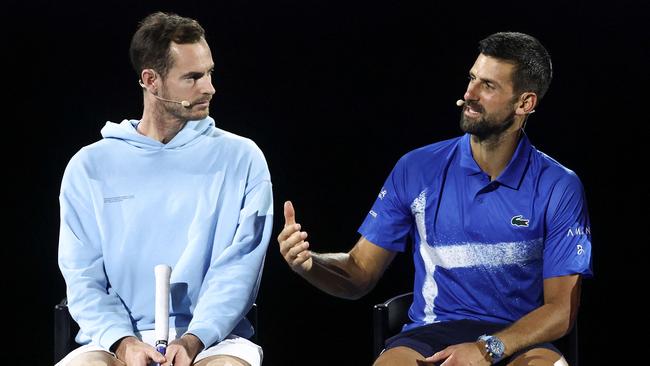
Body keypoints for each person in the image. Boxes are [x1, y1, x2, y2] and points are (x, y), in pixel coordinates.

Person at [278, 31, 592, 366]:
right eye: (472, 79)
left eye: (488, 86)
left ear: (525, 103)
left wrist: (486, 350)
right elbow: (358, 274)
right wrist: (310, 264)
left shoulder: (559, 185)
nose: (468, 94)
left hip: (516, 340)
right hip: (431, 333)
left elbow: (561, 311)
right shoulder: (416, 169)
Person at [57, 12, 273, 366]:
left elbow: (240, 271)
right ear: (151, 80)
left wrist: (192, 340)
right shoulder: (89, 167)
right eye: (192, 77)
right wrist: (123, 342)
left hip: (213, 342)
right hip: (110, 342)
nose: (209, 88)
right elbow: (82, 277)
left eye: (209, 73)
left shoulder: (243, 158)